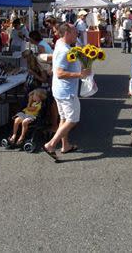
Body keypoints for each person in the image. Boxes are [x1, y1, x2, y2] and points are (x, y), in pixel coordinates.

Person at [42, 23, 91, 161]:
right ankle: (51, 144)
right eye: (75, 32)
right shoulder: (65, 50)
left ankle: (65, 145)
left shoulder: (60, 43)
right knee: (72, 119)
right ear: (66, 34)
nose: (77, 34)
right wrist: (80, 74)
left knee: (63, 118)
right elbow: (59, 73)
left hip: (59, 89)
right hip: (66, 91)